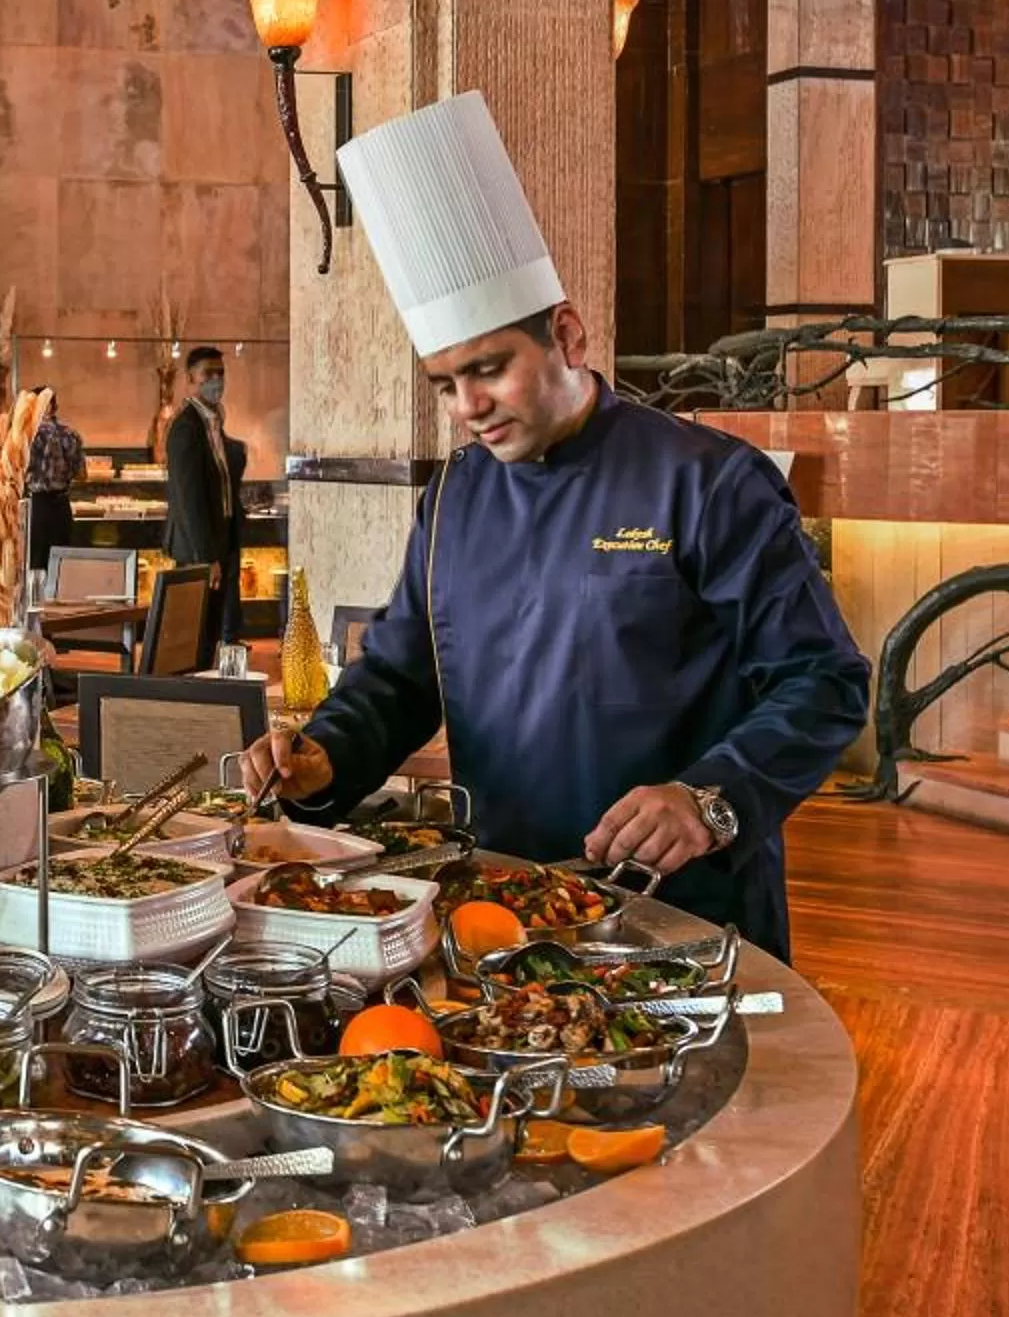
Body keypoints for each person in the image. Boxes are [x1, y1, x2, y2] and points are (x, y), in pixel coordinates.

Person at [241, 92, 869, 959]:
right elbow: (397, 679)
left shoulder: (709, 481)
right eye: (445, 384)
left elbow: (824, 682)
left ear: (567, 336)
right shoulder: (455, 497)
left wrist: (710, 799)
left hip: (683, 911)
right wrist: (325, 760)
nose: (468, 407)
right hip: (503, 905)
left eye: (489, 369)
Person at [162, 346, 244, 659]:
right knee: (195, 634)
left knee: (212, 629)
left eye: (220, 373)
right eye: (208, 373)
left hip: (221, 539)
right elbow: (188, 498)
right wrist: (205, 557)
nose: (216, 380)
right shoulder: (186, 428)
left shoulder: (213, 424)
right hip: (199, 547)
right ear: (191, 379)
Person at [25, 386, 84, 558]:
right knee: (60, 562)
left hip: (36, 507)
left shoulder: (27, 435)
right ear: (53, 406)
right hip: (62, 507)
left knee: (34, 563)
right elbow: (81, 474)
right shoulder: (71, 434)